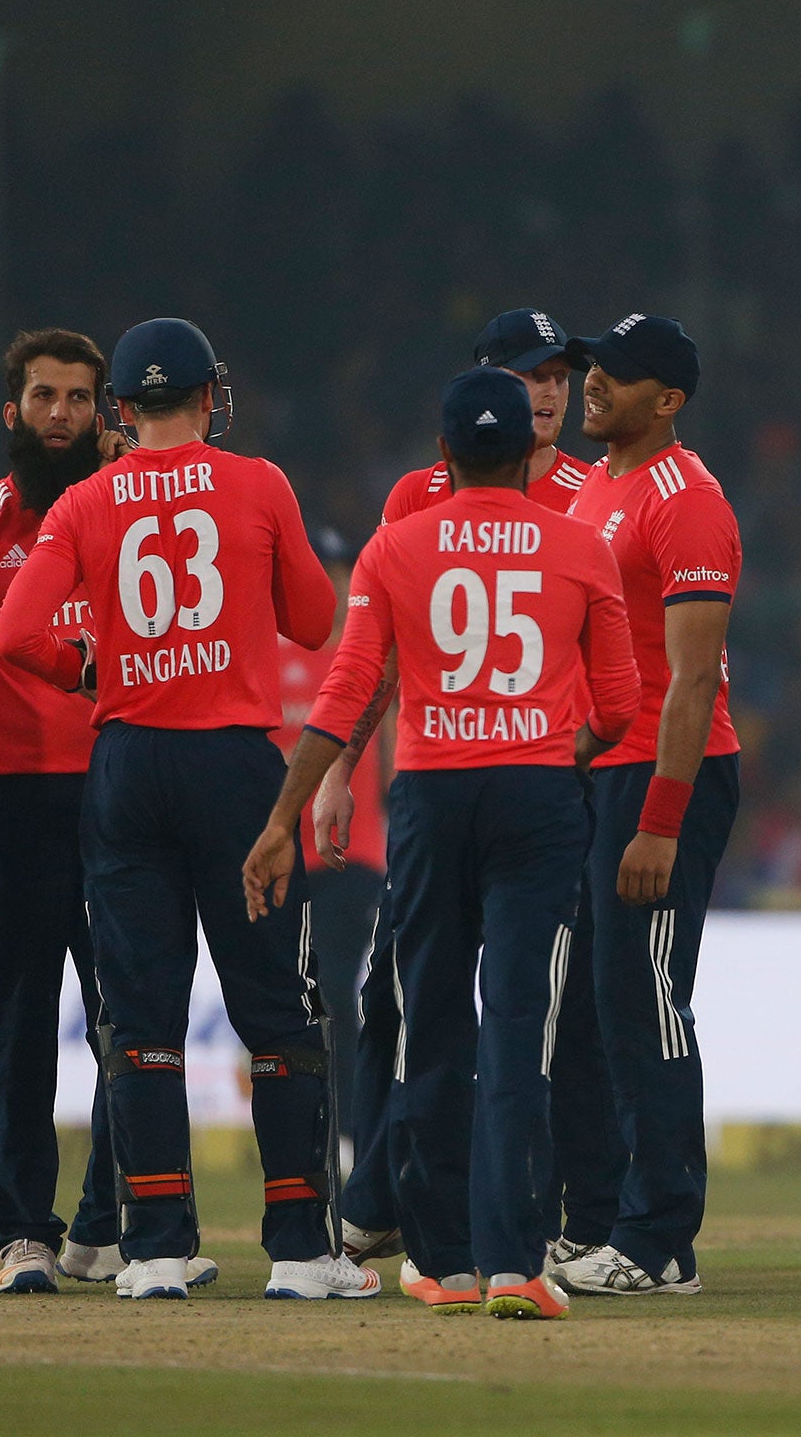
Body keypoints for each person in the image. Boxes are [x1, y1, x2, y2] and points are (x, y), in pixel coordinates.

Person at [244, 367, 637, 1319]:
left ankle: (443, 1263)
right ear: (529, 452)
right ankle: (514, 1263)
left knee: (430, 1024)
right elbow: (622, 709)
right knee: (516, 1031)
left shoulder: (393, 548)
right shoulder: (582, 546)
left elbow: (343, 697)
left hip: (429, 795)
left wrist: (281, 818)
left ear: (447, 452)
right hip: (538, 799)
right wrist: (556, 754)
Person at [0, 318, 367, 1302]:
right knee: (279, 1011)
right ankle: (297, 1250)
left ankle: (155, 1248)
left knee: (141, 1016)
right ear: (211, 397)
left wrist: (91, 667)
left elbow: (15, 630)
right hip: (233, 768)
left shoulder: (83, 502)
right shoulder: (258, 483)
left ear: (117, 409)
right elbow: (315, 622)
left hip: (126, 762)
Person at [0, 329, 186, 1295]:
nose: (59, 413)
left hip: (119, 795)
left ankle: (107, 1227)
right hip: (11, 808)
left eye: (77, 397)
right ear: (11, 411)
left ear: (106, 410)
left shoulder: (131, 520)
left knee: (131, 1019)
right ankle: (21, 1231)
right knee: (21, 1025)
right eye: (43, 396)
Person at [316, 309, 592, 1273]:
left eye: (562, 374)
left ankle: (537, 1218)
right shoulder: (414, 499)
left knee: (533, 1012)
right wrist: (349, 767)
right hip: (472, 785)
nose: (550, 390)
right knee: (408, 1005)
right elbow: (385, 661)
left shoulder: (590, 496)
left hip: (517, 782)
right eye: (531, 375)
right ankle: (389, 1200)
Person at [546, 314, 742, 1298]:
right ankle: (613, 1218)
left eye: (615, 379)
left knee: (648, 1001)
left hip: (667, 776)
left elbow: (695, 679)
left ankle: (662, 1240)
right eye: (594, 371)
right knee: (596, 1010)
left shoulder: (687, 501)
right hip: (599, 771)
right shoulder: (595, 488)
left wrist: (659, 820)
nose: (592, 388)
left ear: (667, 400)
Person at [275, 527, 386, 1150]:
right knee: (301, 995)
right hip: (287, 855)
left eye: (343, 572)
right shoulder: (269, 653)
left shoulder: (363, 653)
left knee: (337, 988)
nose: (338, 584)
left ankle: (343, 1133)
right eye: (328, 572)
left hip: (351, 853)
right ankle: (313, 1129)